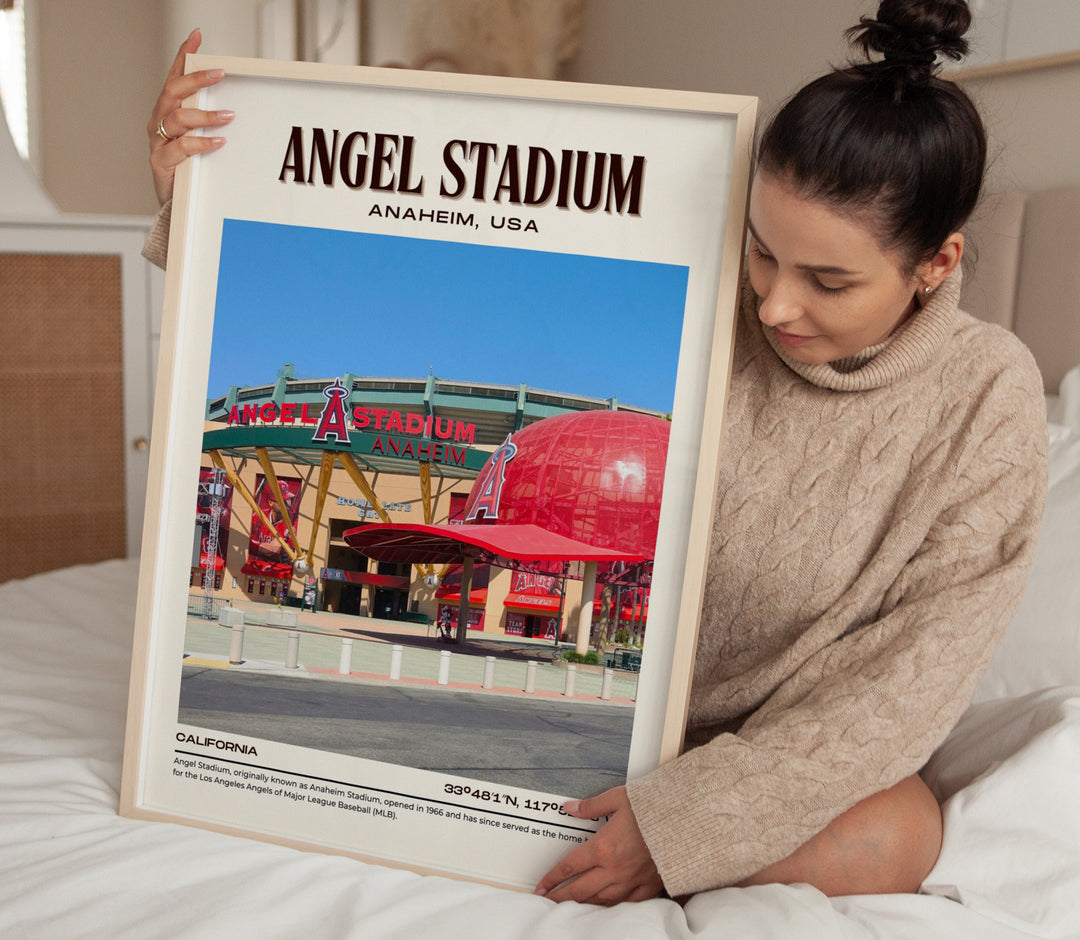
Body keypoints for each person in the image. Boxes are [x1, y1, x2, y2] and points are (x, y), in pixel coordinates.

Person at [144, 1, 1047, 906]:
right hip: (605, 725)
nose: (774, 305)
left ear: (936, 264)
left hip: (771, 754)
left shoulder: (985, 398)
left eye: (829, 280)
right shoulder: (710, 294)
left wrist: (690, 824)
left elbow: (909, 686)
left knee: (899, 833)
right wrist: (209, 193)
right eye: (765, 254)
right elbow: (454, 231)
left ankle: (610, 846)